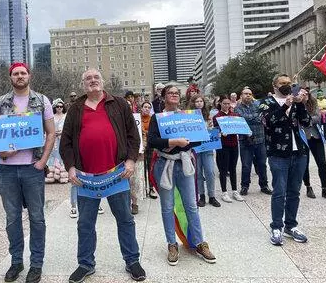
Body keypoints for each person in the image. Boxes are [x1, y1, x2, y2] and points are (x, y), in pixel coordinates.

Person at [61, 68, 146, 283]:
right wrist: (70, 167)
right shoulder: (75, 108)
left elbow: (132, 136)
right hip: (86, 178)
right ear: (83, 84)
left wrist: (130, 160)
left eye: (96, 77)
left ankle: (132, 261)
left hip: (116, 174)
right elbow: (67, 142)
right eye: (88, 78)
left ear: (102, 81)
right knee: (85, 224)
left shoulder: (118, 104)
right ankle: (85, 264)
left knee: (125, 219)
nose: (92, 81)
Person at [0, 62, 56, 283]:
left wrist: (43, 161)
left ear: (29, 75)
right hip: (7, 171)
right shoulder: (1, 103)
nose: (20, 76)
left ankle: (36, 264)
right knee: (12, 219)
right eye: (16, 73)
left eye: (23, 73)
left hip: (32, 168)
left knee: (37, 218)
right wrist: (3, 154)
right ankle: (16, 261)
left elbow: (51, 133)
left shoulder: (42, 100)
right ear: (10, 77)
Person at [148, 85, 216, 266]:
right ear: (164, 97)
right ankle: (172, 244)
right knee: (167, 207)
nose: (174, 95)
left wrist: (178, 143)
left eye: (177, 93)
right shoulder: (158, 118)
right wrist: (173, 141)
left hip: (184, 163)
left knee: (191, 205)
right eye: (170, 93)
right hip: (165, 165)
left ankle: (199, 243)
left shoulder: (188, 115)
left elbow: (199, 138)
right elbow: (152, 141)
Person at [259, 74, 311, 246]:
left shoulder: (296, 102)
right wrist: (285, 106)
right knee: (279, 191)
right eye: (283, 83)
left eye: (289, 83)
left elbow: (306, 121)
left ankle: (291, 225)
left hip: (299, 152)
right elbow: (268, 122)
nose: (287, 86)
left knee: (294, 191)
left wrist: (301, 104)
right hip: (278, 154)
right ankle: (276, 226)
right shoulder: (267, 102)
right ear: (275, 85)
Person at [235, 87, 272, 196]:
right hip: (245, 141)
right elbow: (242, 119)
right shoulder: (237, 108)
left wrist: (251, 118)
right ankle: (244, 186)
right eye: (245, 94)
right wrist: (255, 117)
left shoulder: (258, 105)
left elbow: (260, 117)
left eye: (250, 94)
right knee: (246, 165)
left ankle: (264, 185)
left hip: (260, 139)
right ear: (241, 95)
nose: (248, 96)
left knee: (262, 164)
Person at [301, 89, 326, 200]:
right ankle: (308, 187)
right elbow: (296, 120)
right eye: (302, 94)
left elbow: (318, 117)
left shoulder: (314, 102)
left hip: (316, 136)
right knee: (304, 165)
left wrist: (305, 120)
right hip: (303, 138)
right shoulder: (296, 106)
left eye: (306, 94)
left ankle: (325, 189)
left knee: (322, 163)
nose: (305, 96)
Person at [188, 94, 221, 207]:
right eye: (196, 101)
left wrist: (215, 132)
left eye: (201, 101)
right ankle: (201, 196)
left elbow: (212, 131)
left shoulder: (208, 116)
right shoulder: (189, 116)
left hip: (207, 147)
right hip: (195, 148)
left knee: (210, 172)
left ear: (204, 103)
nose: (199, 103)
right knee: (197, 173)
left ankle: (212, 196)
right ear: (193, 103)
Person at [213, 95, 244, 203]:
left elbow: (240, 127)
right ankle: (224, 192)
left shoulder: (234, 115)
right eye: (224, 103)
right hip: (222, 146)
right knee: (223, 169)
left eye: (228, 103)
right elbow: (216, 131)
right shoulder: (217, 116)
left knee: (233, 168)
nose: (226, 105)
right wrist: (221, 133)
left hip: (234, 145)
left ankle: (235, 191)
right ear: (220, 104)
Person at [141, 101, 157, 199]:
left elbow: (154, 133)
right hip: (141, 147)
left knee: (150, 168)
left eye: (148, 107)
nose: (147, 109)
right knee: (142, 168)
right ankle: (143, 189)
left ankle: (151, 188)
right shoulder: (137, 119)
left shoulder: (153, 119)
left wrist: (145, 132)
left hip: (150, 146)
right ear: (141, 108)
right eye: (145, 107)